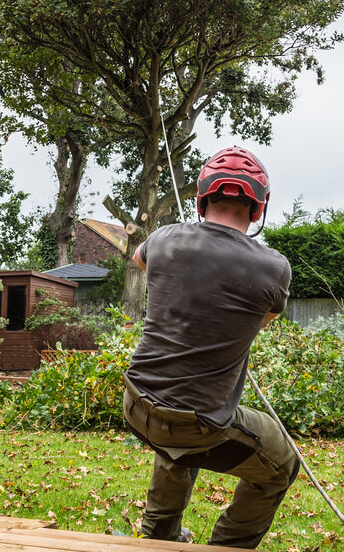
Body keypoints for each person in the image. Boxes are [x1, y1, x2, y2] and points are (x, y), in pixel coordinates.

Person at [123, 145, 298, 549]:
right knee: (281, 465)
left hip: (136, 406)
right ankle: (226, 548)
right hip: (197, 424)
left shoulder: (164, 239)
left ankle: (160, 533)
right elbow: (262, 322)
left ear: (202, 198)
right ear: (258, 208)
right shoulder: (274, 267)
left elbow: (139, 259)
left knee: (178, 432)